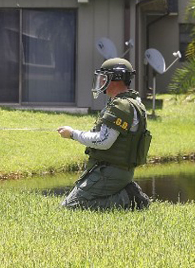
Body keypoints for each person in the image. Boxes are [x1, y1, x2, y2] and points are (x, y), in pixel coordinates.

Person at [57, 58, 151, 210]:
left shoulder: (121, 106)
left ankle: (128, 198)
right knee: (72, 203)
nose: (100, 81)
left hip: (110, 171)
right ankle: (126, 192)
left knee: (71, 207)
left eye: (104, 77)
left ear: (116, 79)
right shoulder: (131, 102)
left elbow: (104, 141)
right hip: (114, 169)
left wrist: (72, 134)